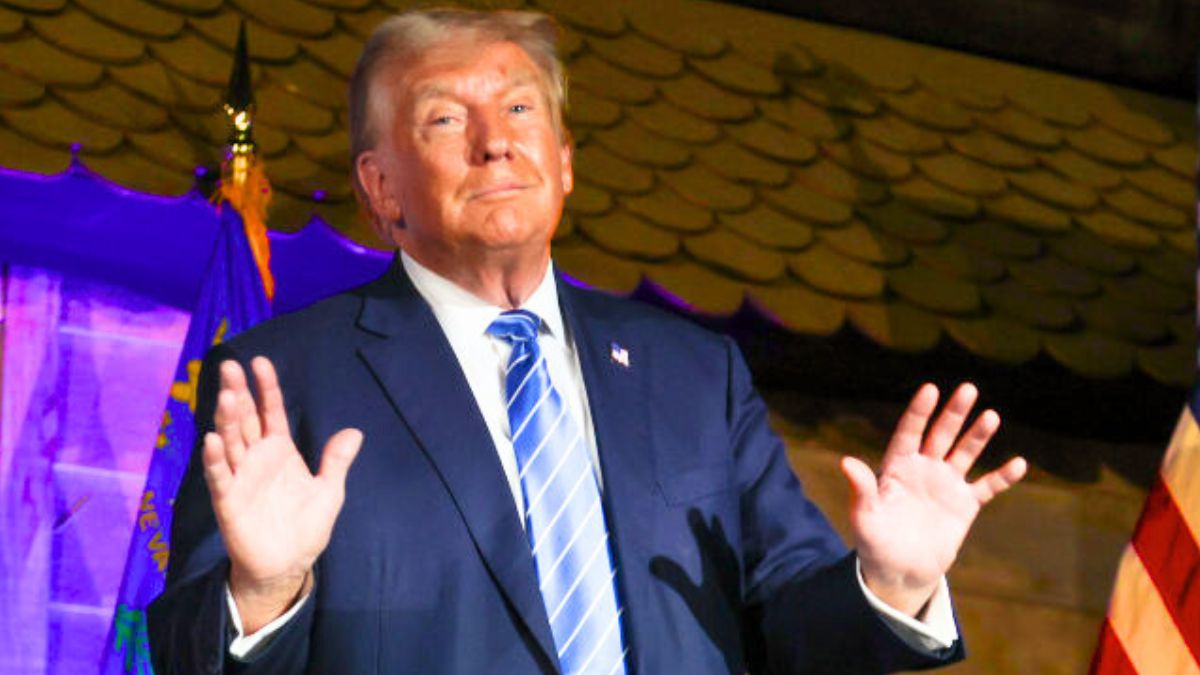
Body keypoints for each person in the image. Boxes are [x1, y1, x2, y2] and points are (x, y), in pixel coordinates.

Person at [147, 8, 1027, 674]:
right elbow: (188, 652)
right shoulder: (283, 379)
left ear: (564, 161)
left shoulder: (697, 375)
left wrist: (893, 584)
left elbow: (796, 624)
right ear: (382, 189)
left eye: (521, 108)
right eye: (446, 120)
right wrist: (264, 593)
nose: (496, 144)